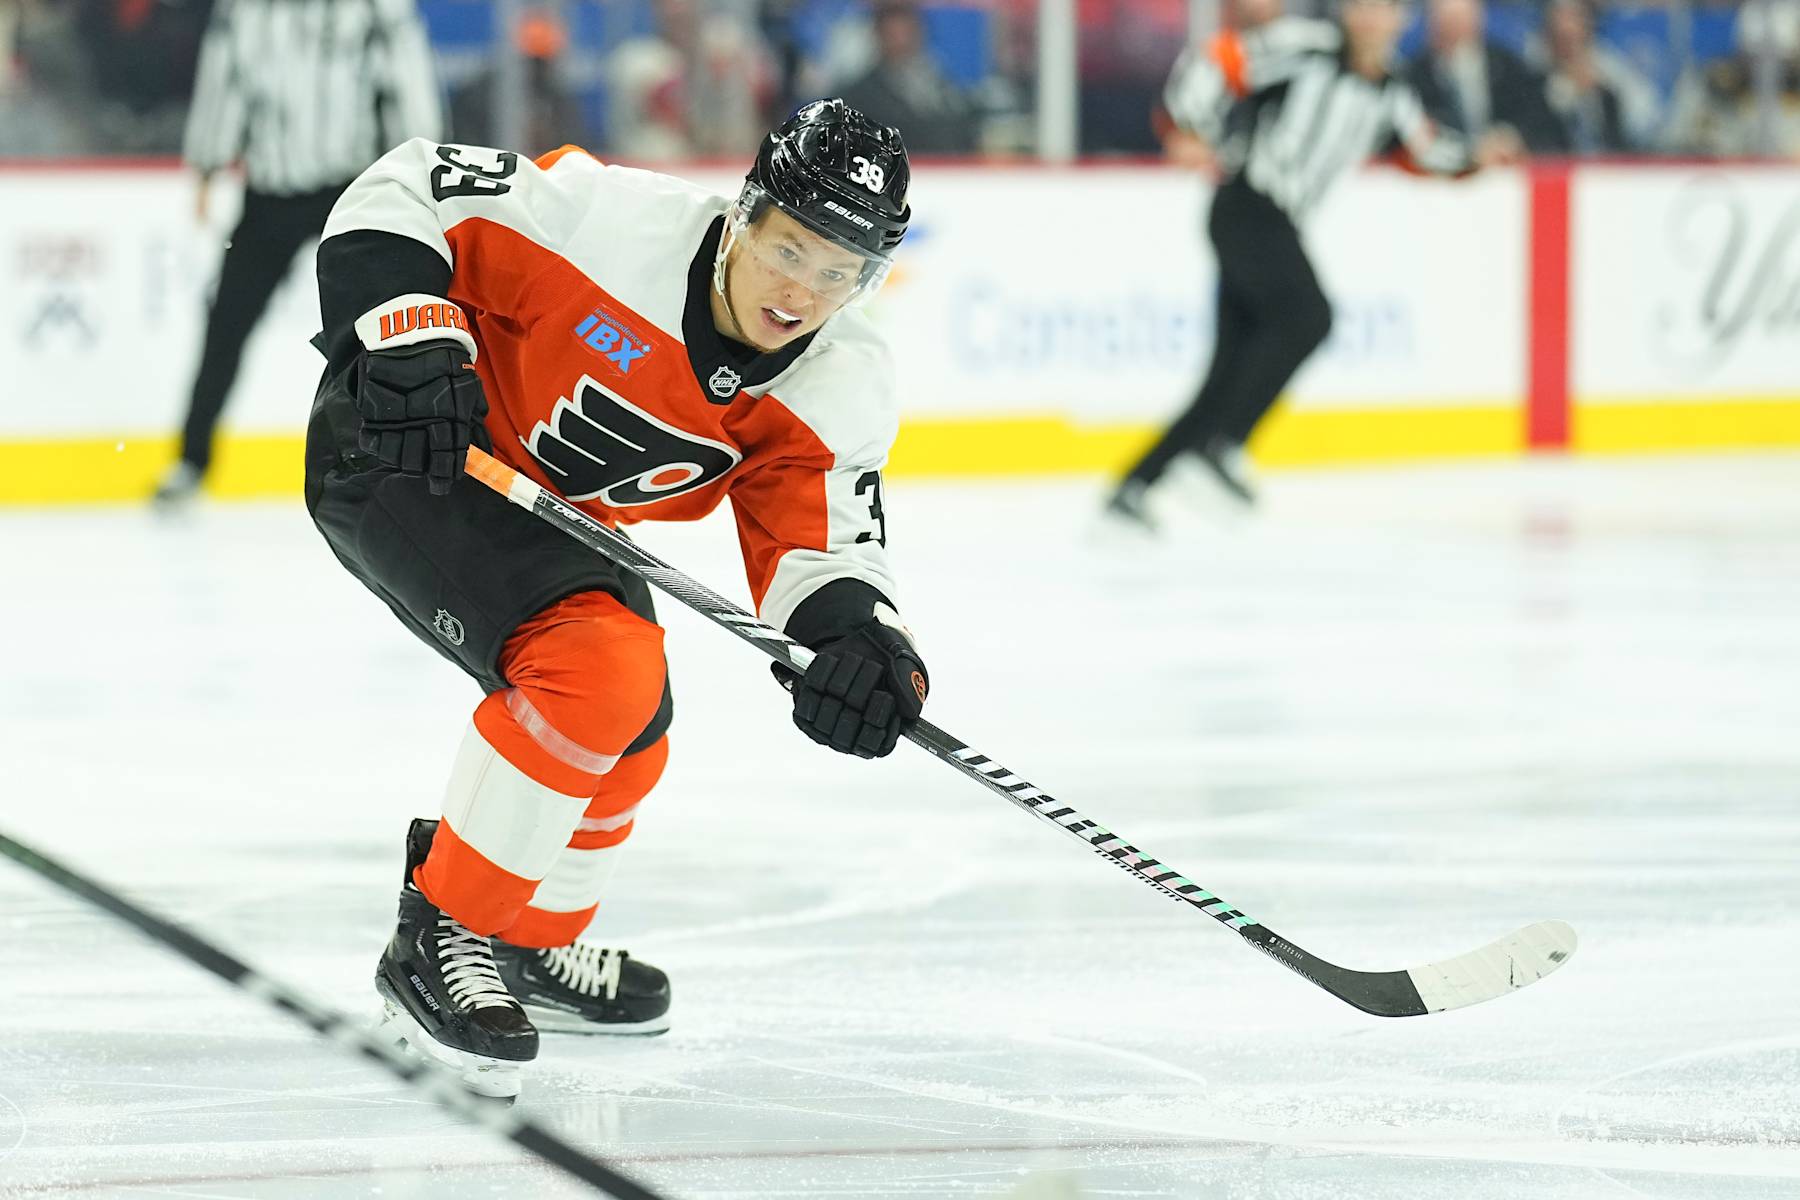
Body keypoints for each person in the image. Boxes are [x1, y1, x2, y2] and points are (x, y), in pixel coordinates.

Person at [304, 99, 928, 1097]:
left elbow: (819, 544)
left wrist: (859, 644)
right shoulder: (607, 222)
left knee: (635, 724)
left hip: (537, 511)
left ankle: (525, 939)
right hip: (402, 451)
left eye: (837, 271)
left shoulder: (839, 379)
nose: (799, 290)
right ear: (745, 214)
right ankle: (445, 929)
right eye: (789, 248)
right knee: (597, 670)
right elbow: (406, 186)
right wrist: (405, 336)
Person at [1105, 0, 1520, 526]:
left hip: (1275, 223)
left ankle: (1132, 490)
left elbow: (1423, 148)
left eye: (1383, 10)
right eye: (1361, 8)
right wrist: (1188, 125)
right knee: (1308, 316)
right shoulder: (1306, 48)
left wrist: (1478, 156)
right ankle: (1219, 449)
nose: (1370, 20)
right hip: (1248, 207)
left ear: (1400, 21)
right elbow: (1219, 61)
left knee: (1227, 374)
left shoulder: (1391, 90)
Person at [151, 0, 442, 506]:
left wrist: (421, 172)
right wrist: (207, 163)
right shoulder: (245, 12)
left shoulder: (375, 8)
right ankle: (191, 458)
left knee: (391, 326)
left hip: (357, 189)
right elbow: (225, 81)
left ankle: (416, 454)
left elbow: (408, 82)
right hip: (271, 191)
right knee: (228, 323)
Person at [1402, 0, 1569, 155]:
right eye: (1446, 22)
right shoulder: (1415, 75)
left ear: (1477, 20)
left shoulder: (1508, 66)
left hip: (1504, 169)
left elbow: (1535, 115)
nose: (1453, 31)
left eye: (1459, 21)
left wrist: (1510, 136)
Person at [839, 0, 979, 154]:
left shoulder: (944, 86)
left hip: (952, 172)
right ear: (878, 35)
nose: (901, 41)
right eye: (893, 34)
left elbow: (965, 130)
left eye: (907, 32)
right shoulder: (857, 98)